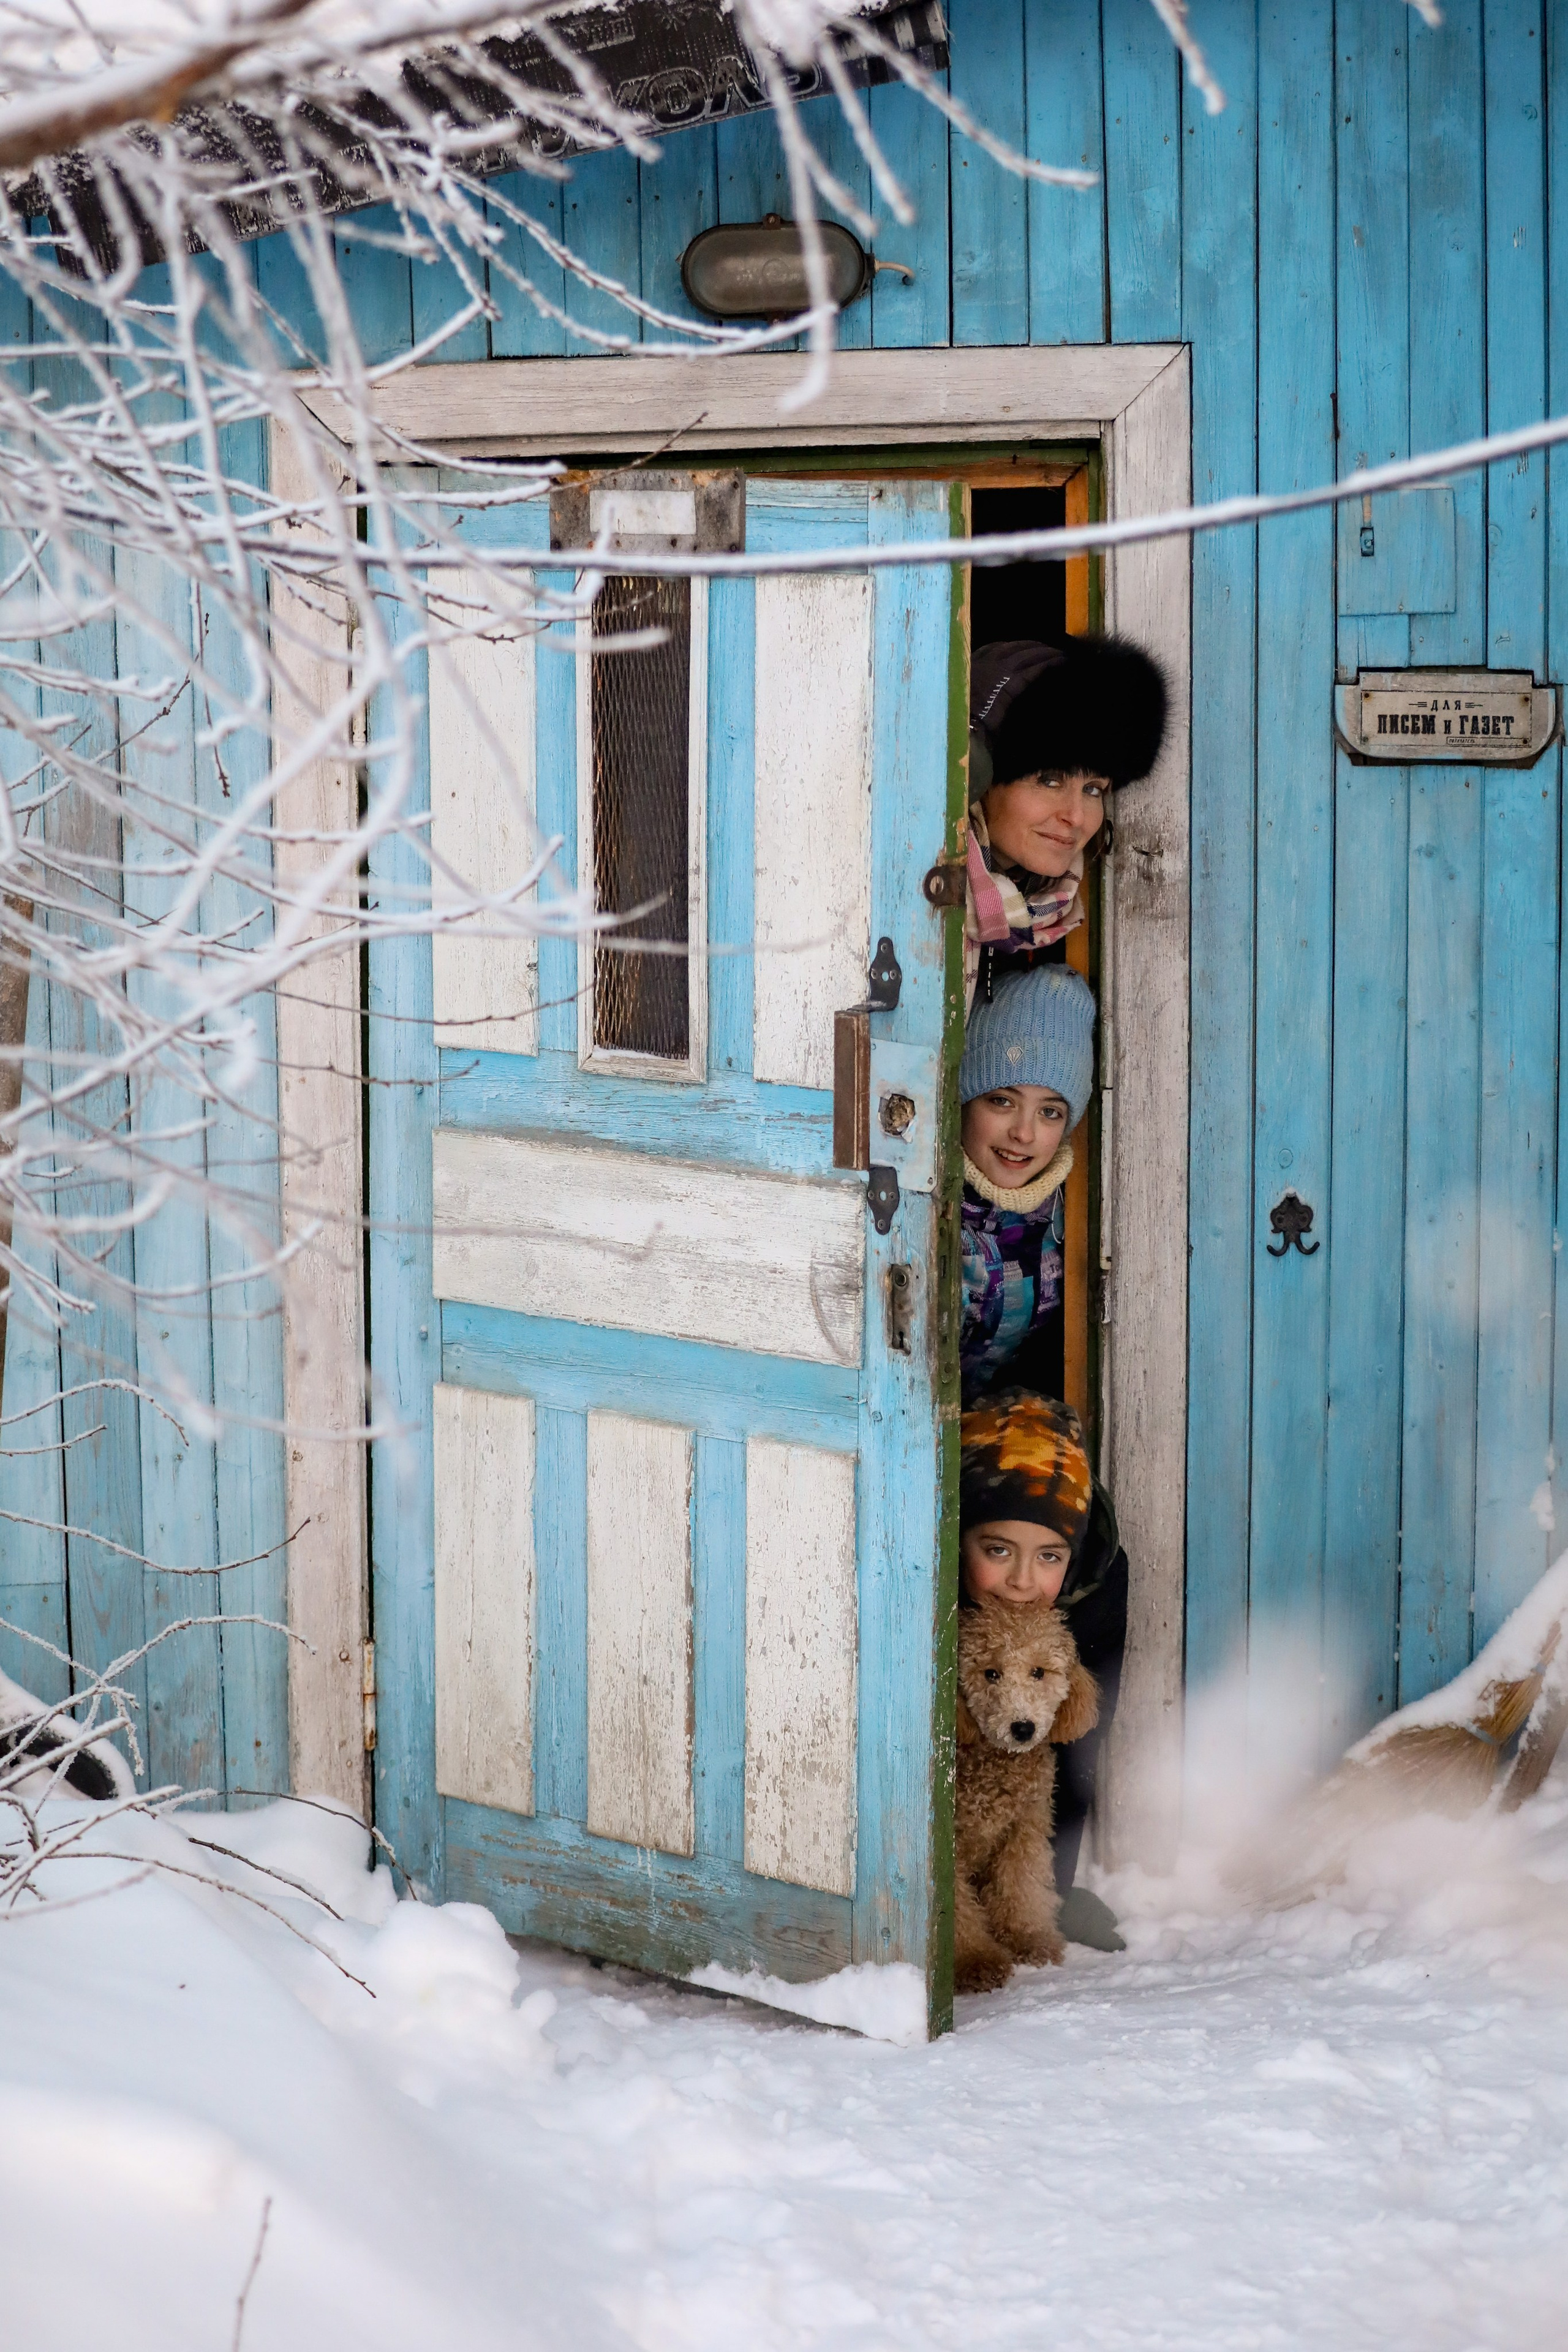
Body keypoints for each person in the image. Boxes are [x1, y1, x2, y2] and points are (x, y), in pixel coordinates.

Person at [960, 1387, 1128, 1951]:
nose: (1023, 1582)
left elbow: (1081, 1745)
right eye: (998, 1550)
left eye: (1049, 1556)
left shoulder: (1098, 1588)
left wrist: (1047, 1896)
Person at [965, 635, 1167, 1008]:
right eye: (1049, 780)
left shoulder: (1038, 909)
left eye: (1093, 789)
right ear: (982, 780)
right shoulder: (923, 889)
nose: (1075, 817)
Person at [960, 961, 1095, 1406]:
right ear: (962, 1099)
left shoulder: (1068, 1210)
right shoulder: (923, 1204)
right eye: (1002, 1101)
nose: (1024, 1134)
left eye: (1050, 1112)